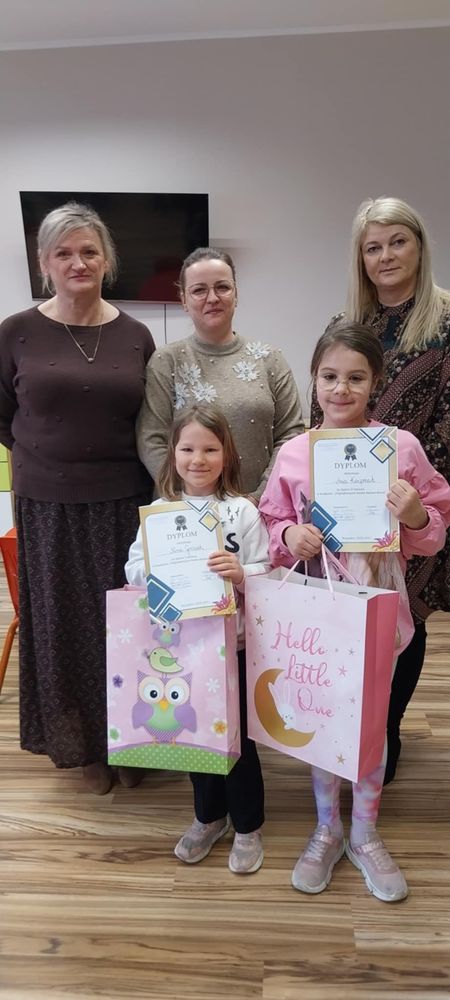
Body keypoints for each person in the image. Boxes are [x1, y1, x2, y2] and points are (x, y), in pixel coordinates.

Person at [261, 323, 450, 902]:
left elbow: (434, 534)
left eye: (356, 378)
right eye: (329, 376)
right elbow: (270, 521)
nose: (341, 389)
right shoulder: (295, 452)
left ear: (376, 383)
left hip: (378, 608)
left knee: (371, 721)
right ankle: (327, 828)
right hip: (316, 610)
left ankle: (364, 832)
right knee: (322, 716)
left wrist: (416, 515)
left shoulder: (400, 449)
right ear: (314, 379)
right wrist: (289, 534)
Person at [0, 201, 155, 794]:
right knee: (65, 627)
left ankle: (135, 739)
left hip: (124, 503)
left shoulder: (136, 335)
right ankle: (85, 747)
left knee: (128, 625)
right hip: (48, 507)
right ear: (44, 264)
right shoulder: (16, 331)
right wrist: (47, 458)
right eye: (63, 253)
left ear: (107, 259)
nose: (77, 262)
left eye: (89, 251)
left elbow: (150, 418)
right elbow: (4, 414)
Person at [312, 197, 450, 783]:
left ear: (419, 245)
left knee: (403, 613)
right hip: (344, 504)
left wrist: (400, 482)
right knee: (347, 609)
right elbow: (322, 408)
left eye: (398, 241)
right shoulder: (346, 323)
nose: (386, 255)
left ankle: (386, 726)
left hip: (412, 501)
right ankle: (346, 724)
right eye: (373, 247)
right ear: (360, 258)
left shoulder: (445, 322)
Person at [126, 403, 270, 873]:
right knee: (196, 736)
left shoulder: (242, 511)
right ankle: (209, 817)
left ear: (227, 455)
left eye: (210, 449)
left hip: (236, 646)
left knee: (239, 741)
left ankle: (248, 825)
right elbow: (133, 569)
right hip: (183, 648)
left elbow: (268, 569)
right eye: (187, 449)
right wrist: (156, 571)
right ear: (173, 454)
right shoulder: (160, 513)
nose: (198, 459)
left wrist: (241, 572)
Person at [136, 247, 304, 501]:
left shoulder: (270, 360)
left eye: (222, 287)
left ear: (236, 294)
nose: (212, 298)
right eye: (199, 290)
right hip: (184, 512)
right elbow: (150, 439)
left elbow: (291, 435)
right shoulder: (166, 361)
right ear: (184, 299)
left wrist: (258, 498)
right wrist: (191, 501)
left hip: (259, 509)